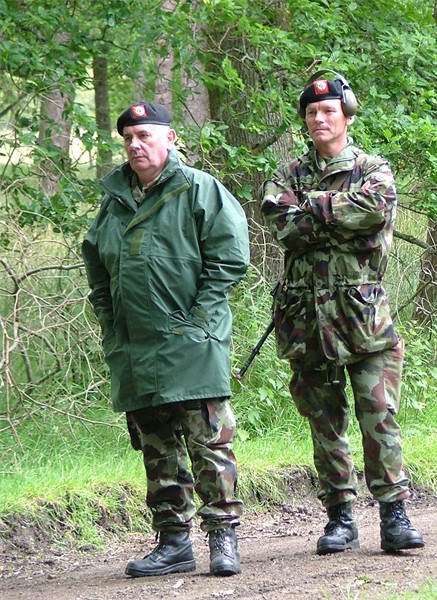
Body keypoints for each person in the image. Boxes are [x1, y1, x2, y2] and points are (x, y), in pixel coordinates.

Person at [259, 71, 425, 555]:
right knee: (324, 420)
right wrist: (337, 214)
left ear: (346, 115)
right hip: (305, 317)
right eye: (311, 112)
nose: (318, 118)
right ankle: (339, 517)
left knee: (380, 416)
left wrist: (312, 211)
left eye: (328, 110)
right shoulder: (287, 174)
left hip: (363, 317)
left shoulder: (375, 168)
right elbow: (282, 223)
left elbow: (373, 212)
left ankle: (394, 513)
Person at [82, 102, 250, 577]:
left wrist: (198, 322)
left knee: (209, 442)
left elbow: (230, 259)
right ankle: (174, 541)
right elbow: (97, 266)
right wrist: (112, 328)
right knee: (157, 449)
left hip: (193, 342)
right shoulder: (114, 200)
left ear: (170, 137)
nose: (136, 145)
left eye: (145, 136)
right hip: (136, 347)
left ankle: (224, 540)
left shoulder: (198, 190)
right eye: (129, 138)